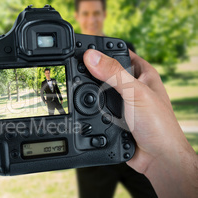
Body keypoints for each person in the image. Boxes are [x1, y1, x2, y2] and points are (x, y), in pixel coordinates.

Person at [73, 0, 157, 197]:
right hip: (91, 152)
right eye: (85, 14)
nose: (91, 19)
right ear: (77, 17)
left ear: (104, 14)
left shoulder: (123, 49)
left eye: (96, 13)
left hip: (130, 142)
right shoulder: (67, 56)